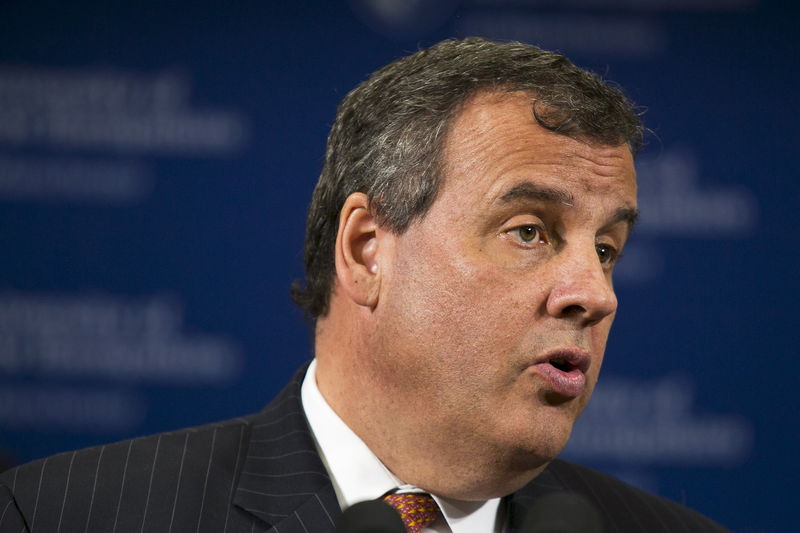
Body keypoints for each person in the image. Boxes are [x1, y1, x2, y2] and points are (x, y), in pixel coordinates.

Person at [0, 38, 728, 532]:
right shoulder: (68, 512)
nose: (595, 294)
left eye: (607, 248)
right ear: (365, 249)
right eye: (530, 231)